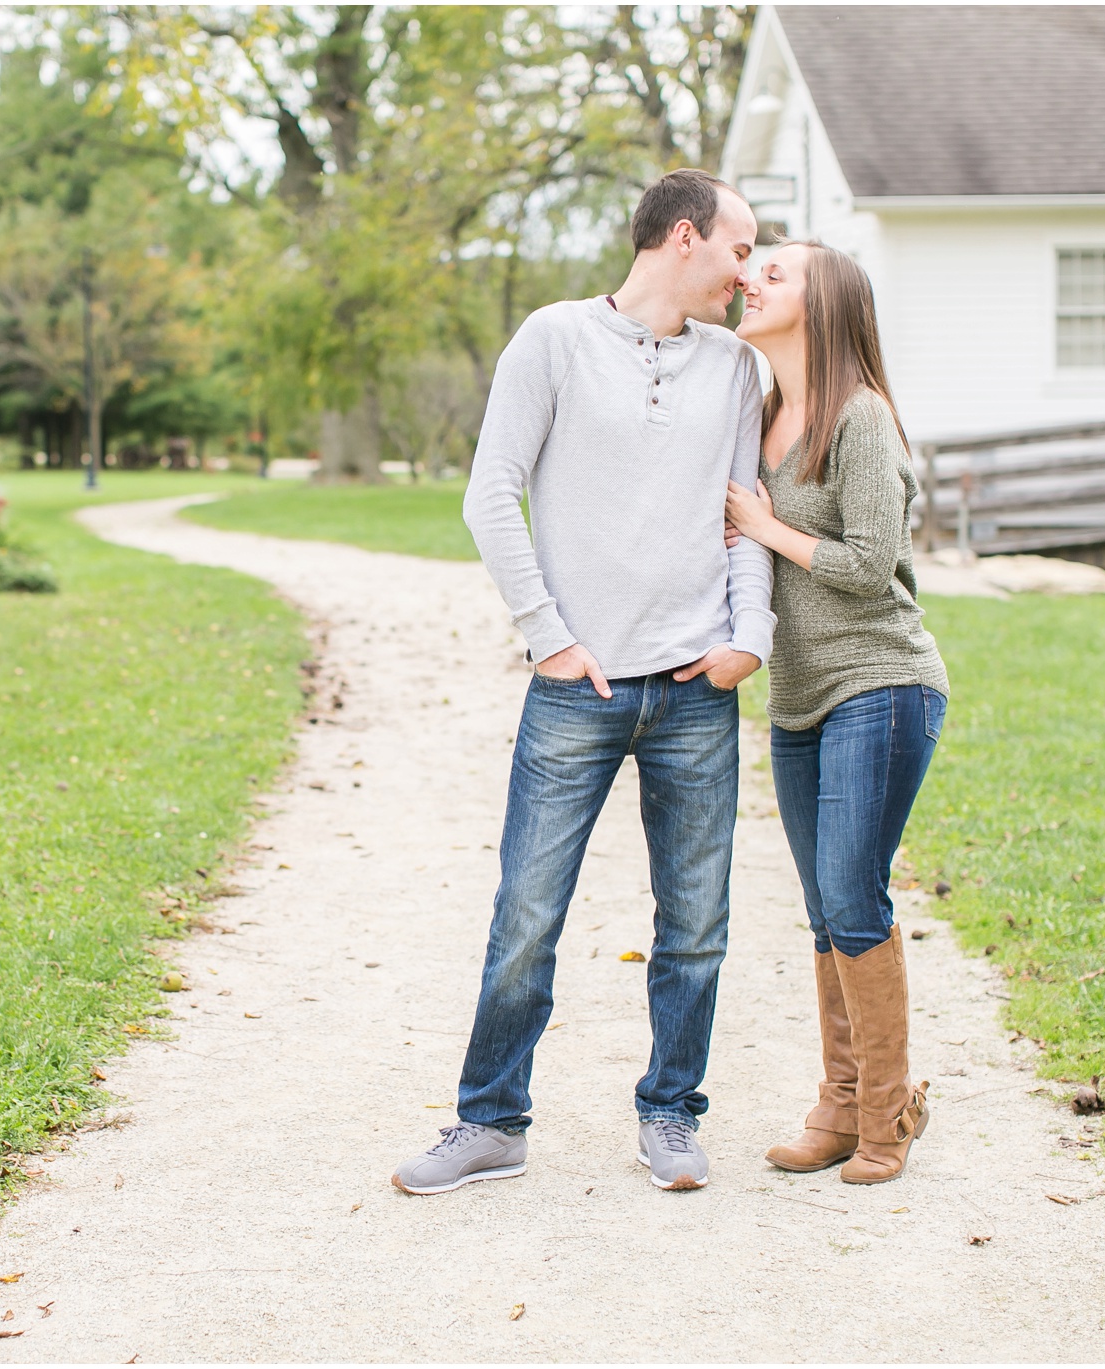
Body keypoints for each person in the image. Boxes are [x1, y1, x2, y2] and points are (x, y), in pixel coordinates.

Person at [392, 170, 773, 1196]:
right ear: (684, 237)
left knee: (695, 922)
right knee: (527, 911)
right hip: (577, 688)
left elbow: (743, 514)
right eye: (741, 249)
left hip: (698, 689)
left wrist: (751, 638)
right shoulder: (553, 339)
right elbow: (489, 493)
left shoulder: (736, 369)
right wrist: (547, 634)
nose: (747, 272)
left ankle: (670, 1113)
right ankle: (489, 1121)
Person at [722, 240, 950, 1185]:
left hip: (881, 682)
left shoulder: (862, 419)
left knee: (853, 893)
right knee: (824, 905)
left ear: (823, 307)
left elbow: (866, 565)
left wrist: (766, 525)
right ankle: (844, 1102)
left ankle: (885, 1115)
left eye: (776, 274)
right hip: (800, 696)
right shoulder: (765, 415)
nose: (752, 280)